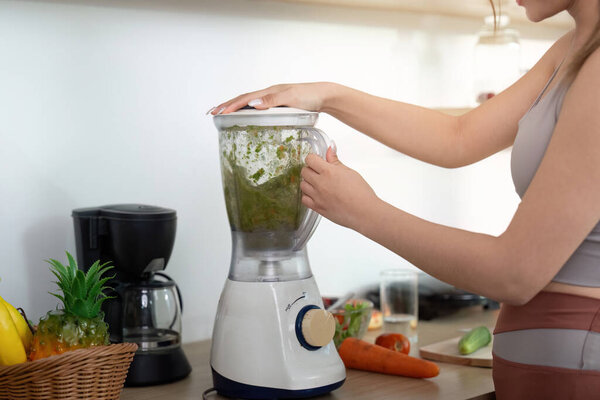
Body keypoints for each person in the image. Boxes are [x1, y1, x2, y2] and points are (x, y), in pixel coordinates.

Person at [209, 0, 600, 398]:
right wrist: (328, 96)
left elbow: (515, 272)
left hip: (578, 369)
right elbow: (458, 138)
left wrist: (365, 213)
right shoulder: (573, 48)